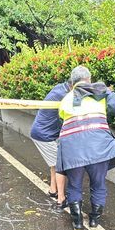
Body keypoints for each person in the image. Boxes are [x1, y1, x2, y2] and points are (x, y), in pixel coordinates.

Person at [56, 66, 115, 230]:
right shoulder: (100, 95)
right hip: (98, 148)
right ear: (89, 79)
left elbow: (62, 120)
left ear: (71, 83)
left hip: (73, 150)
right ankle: (94, 220)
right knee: (98, 183)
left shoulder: (65, 99)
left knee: (74, 185)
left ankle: (78, 223)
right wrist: (108, 92)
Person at [30, 81, 70, 210]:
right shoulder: (64, 95)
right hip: (44, 135)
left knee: (54, 163)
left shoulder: (60, 87)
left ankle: (53, 190)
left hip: (42, 133)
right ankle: (61, 199)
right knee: (61, 166)